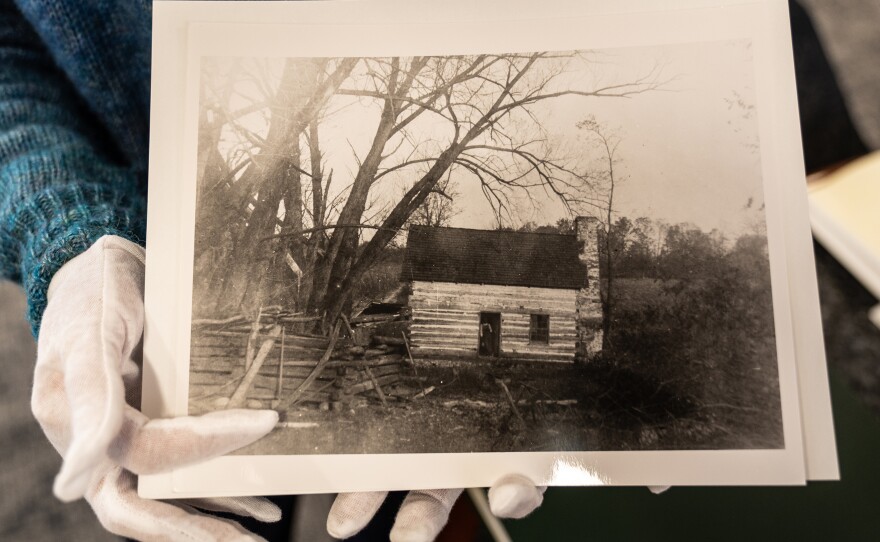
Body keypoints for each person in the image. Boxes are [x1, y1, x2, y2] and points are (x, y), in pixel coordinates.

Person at [0, 1, 547, 540]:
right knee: (199, 506)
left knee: (378, 512)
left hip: (344, 414)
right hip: (164, 358)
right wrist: (75, 238)